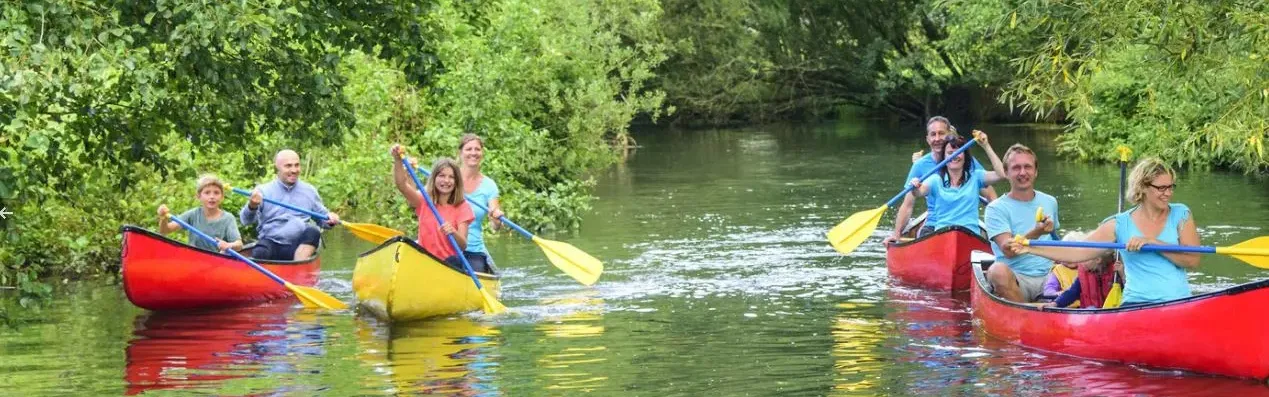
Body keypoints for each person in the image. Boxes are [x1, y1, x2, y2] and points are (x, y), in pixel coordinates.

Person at [1010, 158, 1199, 306]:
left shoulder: (1181, 213)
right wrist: (1030, 247)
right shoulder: (1119, 224)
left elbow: (1193, 260)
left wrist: (1154, 244)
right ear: (1142, 187)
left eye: (1171, 186)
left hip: (1179, 301)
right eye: (1161, 187)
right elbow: (1076, 252)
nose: (1168, 193)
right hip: (1138, 304)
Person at [888, 116, 997, 242]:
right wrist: (896, 234)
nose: (937, 139)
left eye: (941, 133)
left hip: (966, 224)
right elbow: (908, 205)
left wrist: (999, 228)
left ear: (950, 135)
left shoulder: (966, 161)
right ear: (928, 139)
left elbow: (991, 197)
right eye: (933, 135)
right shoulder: (920, 166)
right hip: (934, 224)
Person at [983, 143, 1060, 303]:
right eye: (1016, 168)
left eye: (1028, 167)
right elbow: (1008, 251)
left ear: (1036, 171)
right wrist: (1036, 232)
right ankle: (1026, 313)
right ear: (1006, 172)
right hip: (1015, 279)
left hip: (1051, 276)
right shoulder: (995, 208)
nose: (1023, 172)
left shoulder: (1050, 201)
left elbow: (1056, 242)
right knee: (997, 271)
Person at [240, 150, 340, 261]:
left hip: (299, 245)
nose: (294, 170)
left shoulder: (309, 191)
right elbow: (245, 221)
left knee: (313, 232)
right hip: (271, 242)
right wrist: (252, 206)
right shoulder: (262, 191)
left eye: (297, 165)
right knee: (260, 252)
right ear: (277, 167)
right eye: (288, 166)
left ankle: (298, 266)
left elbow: (323, 220)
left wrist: (330, 219)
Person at [390, 144, 475, 267]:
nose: (446, 181)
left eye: (451, 177)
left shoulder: (463, 207)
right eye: (441, 176)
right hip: (425, 260)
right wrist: (397, 160)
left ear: (456, 182)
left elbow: (463, 245)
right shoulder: (423, 200)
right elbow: (401, 186)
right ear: (434, 179)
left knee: (454, 261)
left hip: (449, 263)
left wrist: (453, 232)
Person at [456, 134, 505, 273]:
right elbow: (419, 199)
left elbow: (495, 227)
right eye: (468, 149)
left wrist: (496, 219)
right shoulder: (448, 178)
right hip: (446, 245)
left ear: (482, 153)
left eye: (477, 149)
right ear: (460, 153)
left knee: (491, 274)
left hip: (473, 248)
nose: (473, 153)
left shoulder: (489, 186)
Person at [158, 174, 243, 253]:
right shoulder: (193, 214)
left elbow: (239, 245)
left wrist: (229, 245)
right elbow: (165, 230)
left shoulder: (228, 218)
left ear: (222, 197)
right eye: (207, 193)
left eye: (216, 193)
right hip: (194, 259)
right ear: (199, 196)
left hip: (217, 262)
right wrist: (163, 218)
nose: (212, 197)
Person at [1040, 232, 1088, 301]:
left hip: (1086, 306)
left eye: (1073, 255)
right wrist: (1057, 294)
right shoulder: (1058, 270)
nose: (1069, 258)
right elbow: (1048, 290)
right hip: (1064, 306)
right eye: (1065, 254)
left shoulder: (1088, 267)